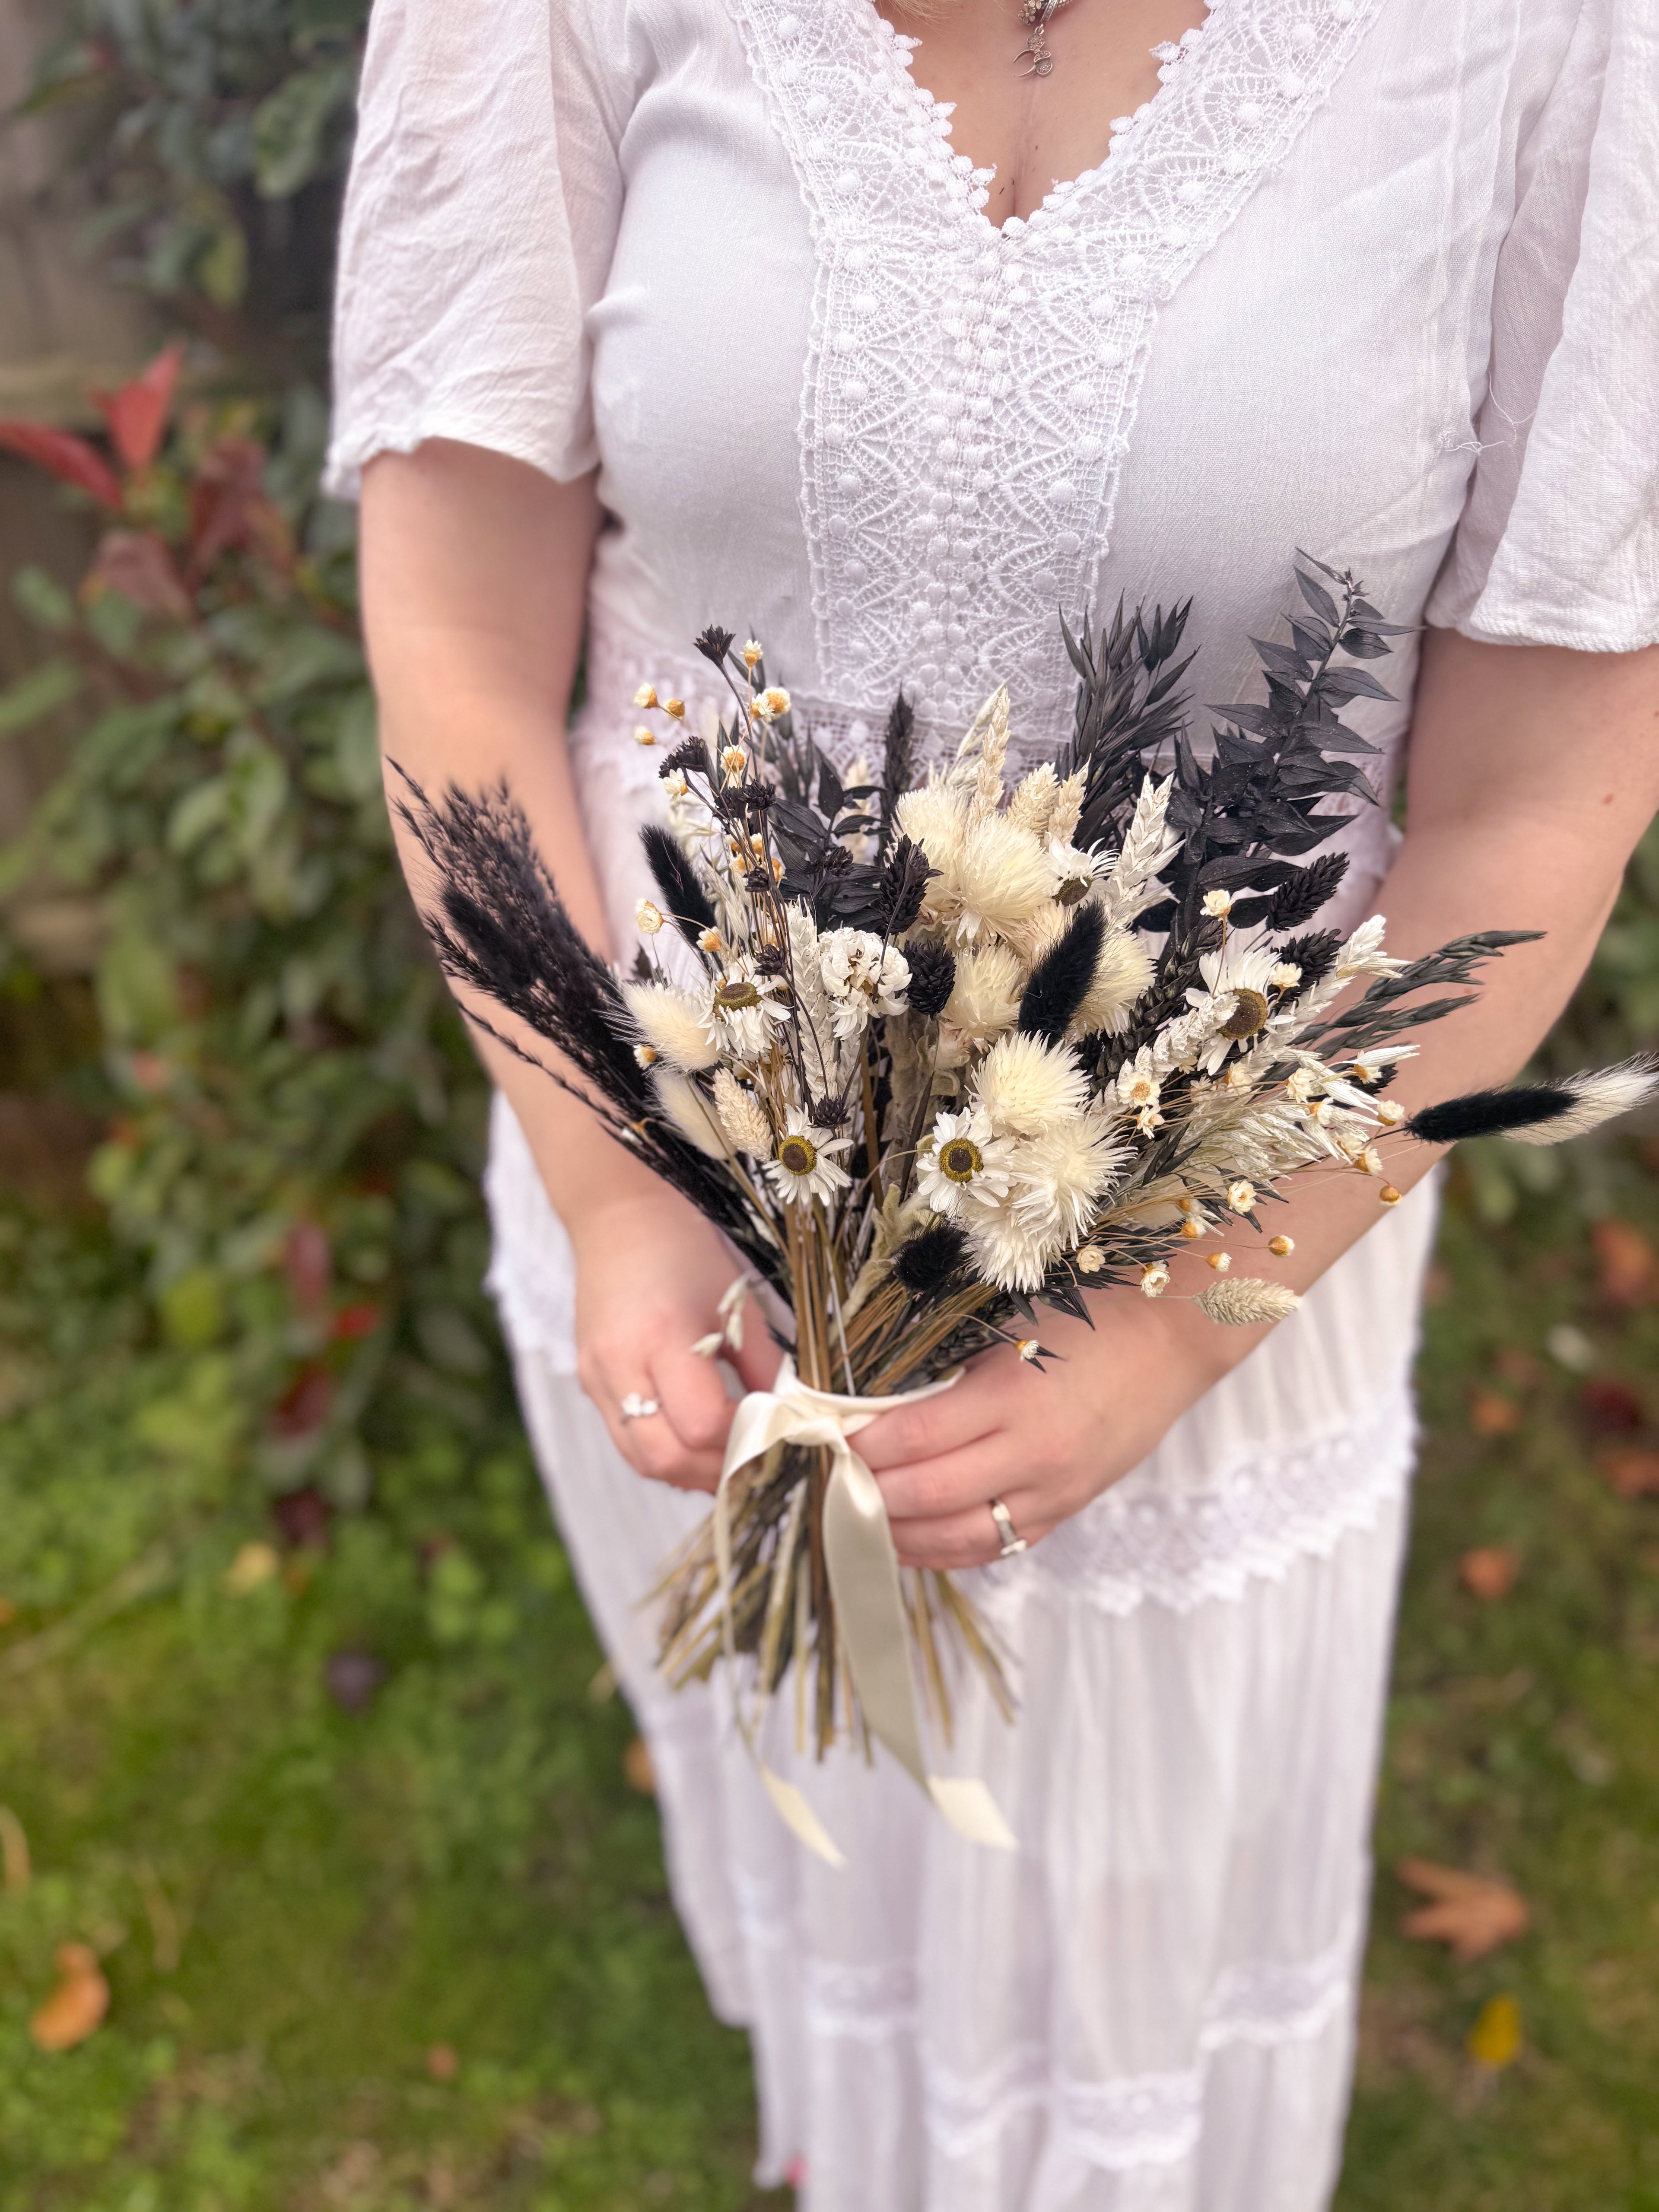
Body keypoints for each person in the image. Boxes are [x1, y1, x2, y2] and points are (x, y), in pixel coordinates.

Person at [326, 0, 1659, 2202]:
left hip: (1216, 1295)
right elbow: (462, 639)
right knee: (823, 1858)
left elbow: (1537, 803)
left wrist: (1170, 1325)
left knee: (1123, 1969)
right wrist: (616, 1191)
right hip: (673, 1235)